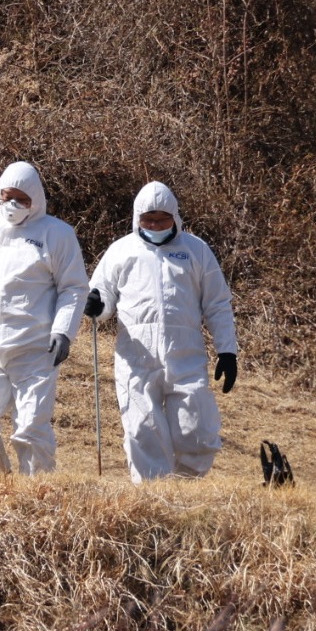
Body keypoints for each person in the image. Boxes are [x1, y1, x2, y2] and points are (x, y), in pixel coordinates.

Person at [84, 181, 239, 483]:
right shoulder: (121, 251)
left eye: (161, 219)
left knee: (195, 432)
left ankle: (186, 490)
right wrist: (96, 305)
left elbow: (218, 303)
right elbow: (103, 297)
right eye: (148, 220)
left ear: (175, 218)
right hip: (135, 357)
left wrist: (227, 350)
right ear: (137, 218)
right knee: (143, 430)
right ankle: (154, 497)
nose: (154, 225)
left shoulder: (195, 250)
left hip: (186, 356)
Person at [0, 161, 90, 474]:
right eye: (6, 196)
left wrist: (64, 332)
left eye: (21, 199)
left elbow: (73, 287)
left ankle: (38, 495)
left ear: (36, 200)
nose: (12, 205)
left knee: (30, 429)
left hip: (35, 350)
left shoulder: (57, 234)